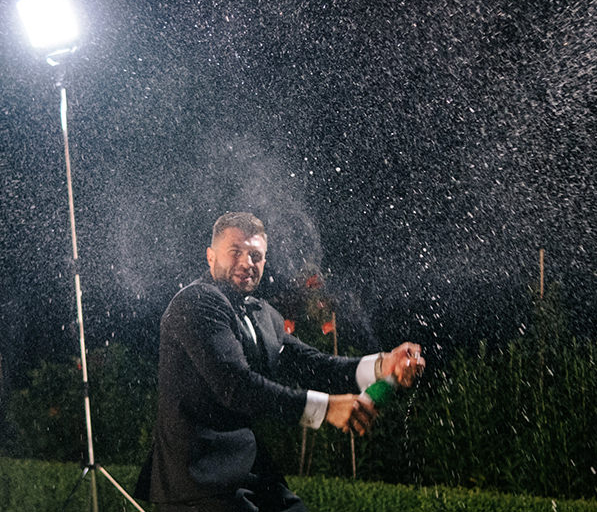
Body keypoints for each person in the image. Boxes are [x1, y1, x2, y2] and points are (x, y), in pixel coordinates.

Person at [135, 212, 425, 511]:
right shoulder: (196, 302)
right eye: (235, 251)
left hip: (251, 471)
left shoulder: (264, 314)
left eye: (256, 255)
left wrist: (382, 365)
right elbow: (236, 386)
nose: (247, 262)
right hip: (198, 481)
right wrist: (326, 409)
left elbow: (313, 364)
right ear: (210, 257)